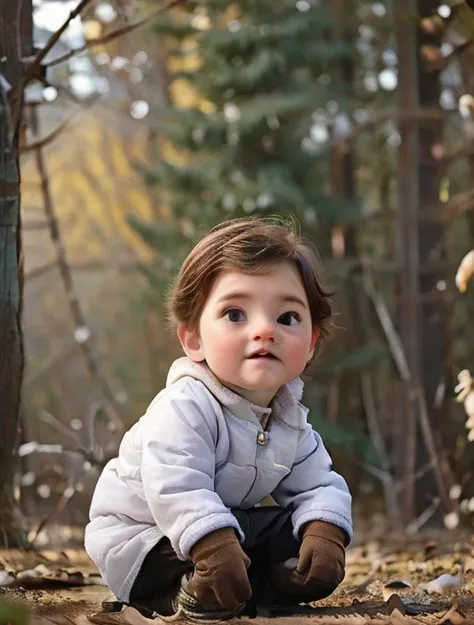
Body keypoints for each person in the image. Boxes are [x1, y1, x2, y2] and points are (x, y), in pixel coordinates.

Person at [84, 216, 352, 621]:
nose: (264, 330)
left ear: (311, 342)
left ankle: (274, 581)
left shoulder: (289, 420)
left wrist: (324, 531)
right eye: (235, 314)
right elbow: (175, 485)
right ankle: (190, 592)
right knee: (181, 554)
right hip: (143, 534)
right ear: (193, 337)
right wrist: (211, 545)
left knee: (300, 537)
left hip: (226, 528)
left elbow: (320, 483)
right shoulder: (185, 405)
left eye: (287, 318)